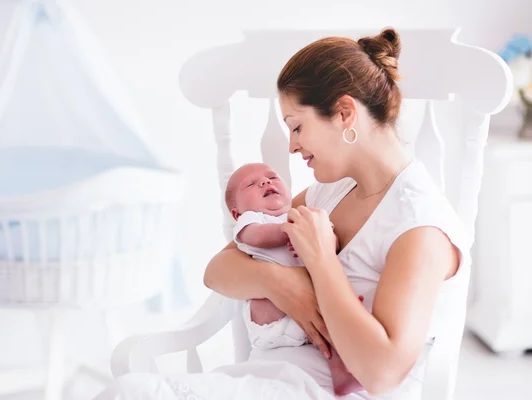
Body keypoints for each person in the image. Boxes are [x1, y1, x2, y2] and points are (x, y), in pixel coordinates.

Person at [94, 27, 469, 400]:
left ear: (344, 113)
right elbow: (220, 270)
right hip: (265, 379)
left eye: (297, 126)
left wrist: (322, 262)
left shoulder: (419, 227)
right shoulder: (332, 192)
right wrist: (284, 284)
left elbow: (382, 374)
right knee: (129, 391)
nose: (292, 146)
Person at [225, 162, 364, 396]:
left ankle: (341, 371)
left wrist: (323, 239)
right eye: (251, 184)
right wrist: (289, 231)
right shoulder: (250, 222)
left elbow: (330, 243)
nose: (265, 182)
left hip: (303, 313)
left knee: (335, 320)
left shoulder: (304, 216)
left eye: (272, 177)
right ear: (237, 212)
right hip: (271, 313)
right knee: (320, 311)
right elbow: (258, 237)